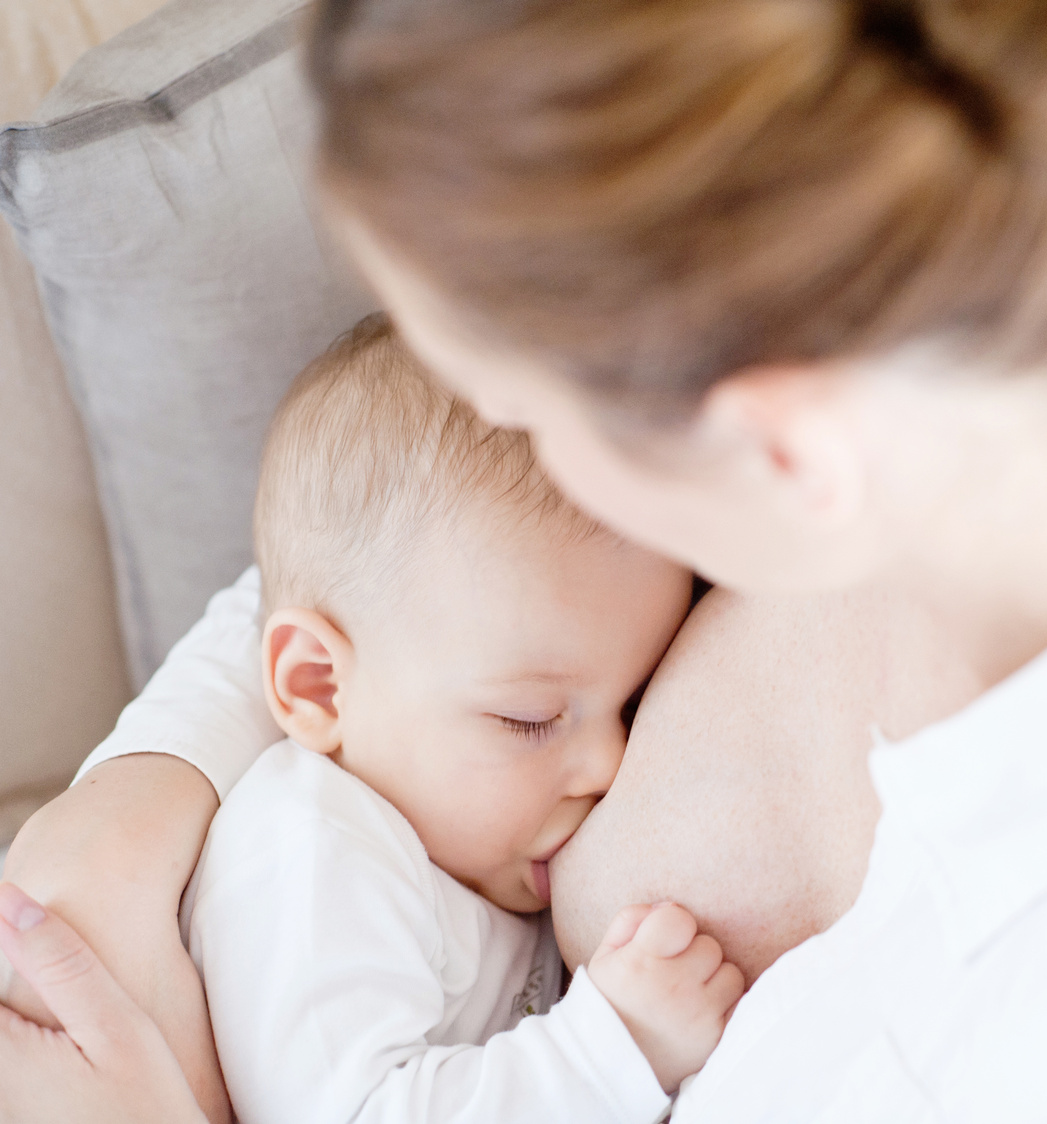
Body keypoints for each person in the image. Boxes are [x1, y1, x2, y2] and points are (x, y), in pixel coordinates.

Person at [0, 1, 1047, 1121]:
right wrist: (148, 797)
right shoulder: (1012, 207)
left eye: (523, 401)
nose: (497, 428)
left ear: (770, 454)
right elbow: (408, 543)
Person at [182, 314, 739, 1124]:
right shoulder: (313, 848)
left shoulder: (469, 852)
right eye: (530, 718)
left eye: (632, 703)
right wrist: (611, 1050)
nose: (610, 765)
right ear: (318, 687)